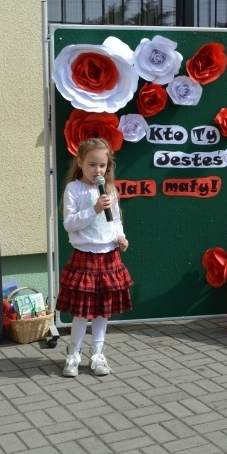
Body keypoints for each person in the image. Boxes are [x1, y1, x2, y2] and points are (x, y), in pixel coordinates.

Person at [56, 137, 132, 377]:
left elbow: (115, 220)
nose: (97, 170)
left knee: (102, 310)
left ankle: (97, 354)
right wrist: (95, 209)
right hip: (85, 256)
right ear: (80, 162)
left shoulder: (109, 189)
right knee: (82, 311)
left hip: (109, 255)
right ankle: (73, 354)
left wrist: (120, 237)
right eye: (92, 164)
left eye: (102, 165)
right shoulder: (74, 189)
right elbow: (70, 223)